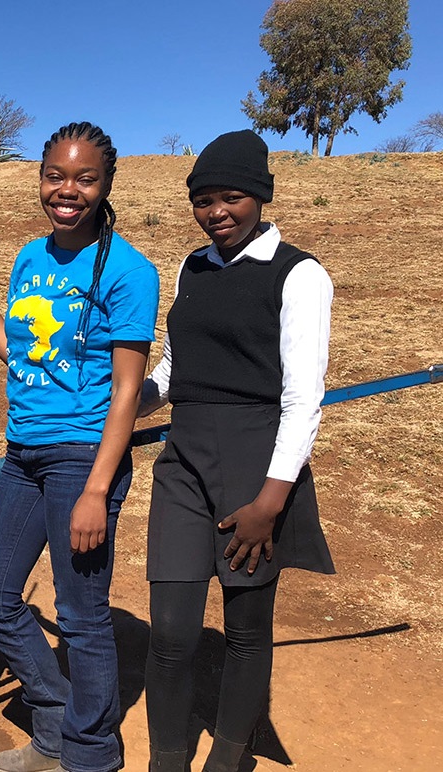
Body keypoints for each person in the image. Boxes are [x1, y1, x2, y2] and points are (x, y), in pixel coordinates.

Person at [0, 122, 159, 772]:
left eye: (84, 178)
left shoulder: (129, 271)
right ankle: (56, 726)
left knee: (80, 616)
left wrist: (98, 490)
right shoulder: (28, 258)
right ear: (41, 177)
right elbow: (17, 353)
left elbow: (128, 393)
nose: (66, 190)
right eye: (55, 175)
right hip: (24, 456)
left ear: (105, 186)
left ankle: (91, 756)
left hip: (84, 459)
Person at [139, 130, 334, 772]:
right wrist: (134, 398)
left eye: (230, 197)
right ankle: (167, 758)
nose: (216, 212)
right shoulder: (191, 267)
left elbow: (304, 397)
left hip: (257, 467)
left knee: (246, 630)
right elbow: (175, 367)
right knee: (170, 630)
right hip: (184, 461)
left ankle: (229, 757)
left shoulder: (300, 274)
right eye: (203, 200)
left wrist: (270, 501)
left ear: (260, 196)